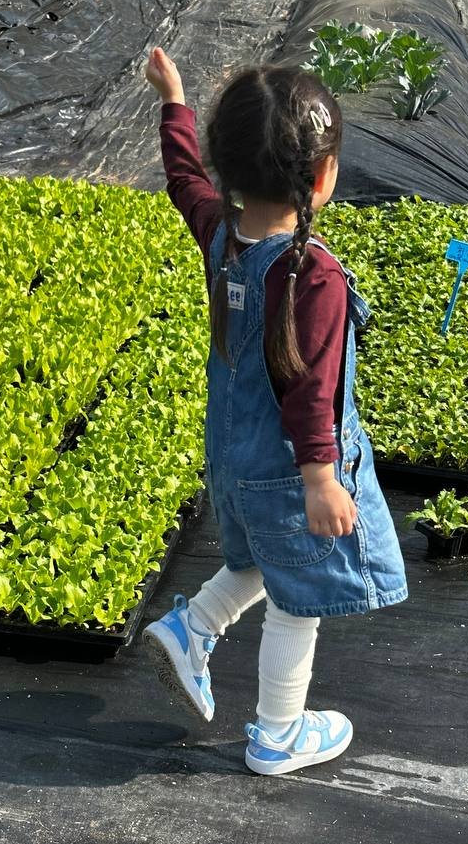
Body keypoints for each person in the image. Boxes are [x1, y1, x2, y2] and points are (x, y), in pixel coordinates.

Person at [141, 48, 408, 777]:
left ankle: (193, 628)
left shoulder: (221, 234)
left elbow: (184, 180)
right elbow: (312, 390)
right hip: (292, 472)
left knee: (265, 557)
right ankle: (278, 735)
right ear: (323, 176)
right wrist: (322, 479)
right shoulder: (312, 274)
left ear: (227, 169)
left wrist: (174, 103)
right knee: (300, 597)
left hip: (233, 458)